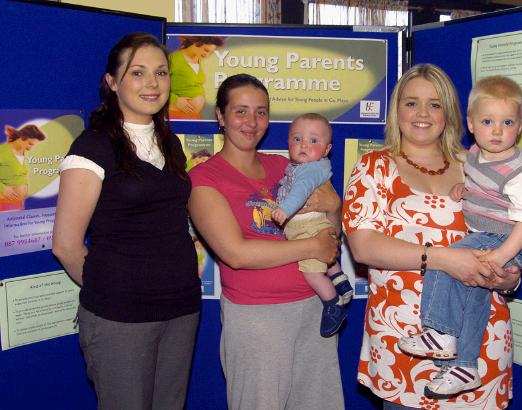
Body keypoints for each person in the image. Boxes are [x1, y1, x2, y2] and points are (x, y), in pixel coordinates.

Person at [342, 64, 522, 409]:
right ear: (397, 110)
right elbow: (363, 246)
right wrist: (443, 259)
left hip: (480, 341)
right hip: (406, 341)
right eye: (411, 103)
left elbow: (509, 238)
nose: (422, 113)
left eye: (435, 104)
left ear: (451, 114)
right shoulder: (373, 166)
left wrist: (507, 278)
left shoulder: (479, 166)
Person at [52, 33, 202, 410]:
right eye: (137, 73)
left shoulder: (170, 144)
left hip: (181, 309)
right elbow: (66, 246)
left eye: (161, 72)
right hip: (120, 318)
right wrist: (117, 288)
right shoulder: (92, 147)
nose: (152, 83)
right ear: (112, 82)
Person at [188, 73, 344, 410]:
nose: (251, 121)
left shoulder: (287, 167)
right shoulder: (204, 178)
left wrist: (334, 209)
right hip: (258, 318)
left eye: (261, 112)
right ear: (220, 115)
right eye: (240, 111)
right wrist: (310, 248)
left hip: (315, 307)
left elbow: (331, 233)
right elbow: (236, 253)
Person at [398, 75, 522, 398]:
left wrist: (501, 256)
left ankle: (438, 330)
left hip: (502, 241)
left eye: (507, 122)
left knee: (445, 259)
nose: (496, 130)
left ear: (520, 126)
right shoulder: (474, 155)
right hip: (488, 238)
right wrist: (465, 190)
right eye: (488, 121)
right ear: (471, 123)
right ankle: (466, 365)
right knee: (473, 292)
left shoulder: (521, 173)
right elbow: (487, 190)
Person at [271, 113, 353, 337]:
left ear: (326, 149)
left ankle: (332, 304)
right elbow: (289, 184)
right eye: (297, 139)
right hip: (315, 225)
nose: (304, 145)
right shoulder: (304, 167)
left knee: (313, 274)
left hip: (307, 227)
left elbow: (299, 191)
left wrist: (284, 209)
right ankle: (340, 280)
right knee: (326, 257)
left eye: (313, 141)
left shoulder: (309, 170)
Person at [168, 36, 224, 120]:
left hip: (192, 116)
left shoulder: (197, 59)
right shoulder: (174, 59)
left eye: (211, 53)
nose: (207, 55)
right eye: (206, 50)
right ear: (196, 43)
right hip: (176, 115)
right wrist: (175, 100)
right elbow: (158, 86)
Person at [0, 124, 46, 211]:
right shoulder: (2, 151)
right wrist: (2, 188)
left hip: (18, 203)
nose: (30, 148)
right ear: (22, 138)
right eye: (30, 144)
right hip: (4, 203)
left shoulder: (22, 152)